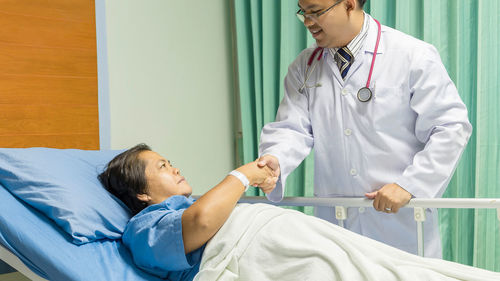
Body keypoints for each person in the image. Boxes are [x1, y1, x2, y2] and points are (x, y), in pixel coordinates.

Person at [256, 0, 472, 258]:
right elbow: (291, 129)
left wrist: (411, 185)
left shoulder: (412, 55)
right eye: (303, 11)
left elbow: (450, 126)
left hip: (400, 227)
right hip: (337, 227)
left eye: (316, 12)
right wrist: (275, 160)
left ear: (349, 4)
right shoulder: (305, 66)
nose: (307, 21)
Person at [98, 144, 274, 280]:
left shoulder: (192, 205)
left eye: (170, 164)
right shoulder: (143, 229)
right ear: (142, 193)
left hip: (267, 232)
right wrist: (244, 176)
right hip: (252, 253)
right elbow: (201, 221)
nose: (175, 169)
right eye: (162, 167)